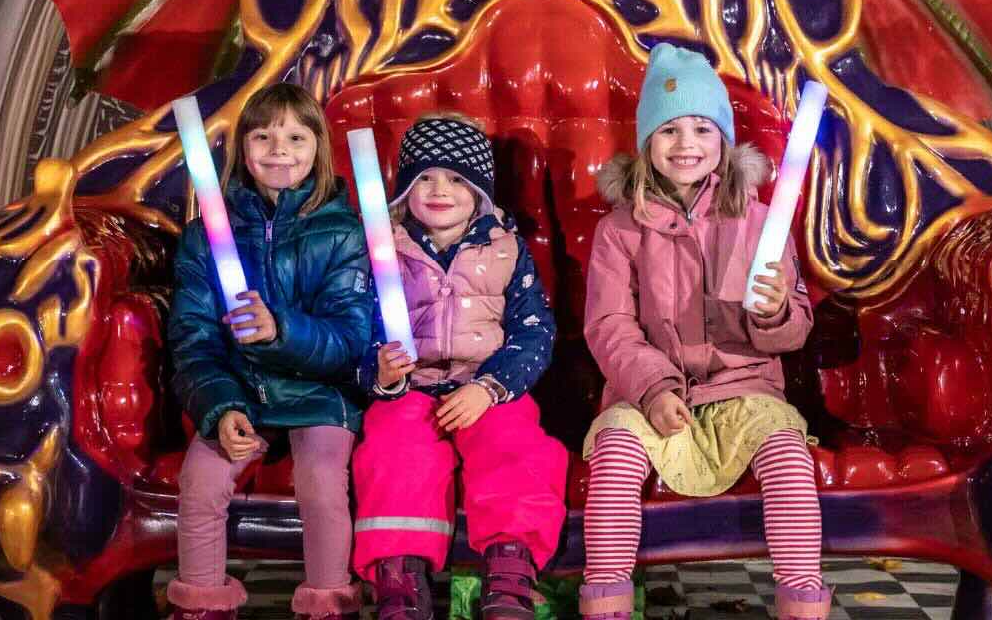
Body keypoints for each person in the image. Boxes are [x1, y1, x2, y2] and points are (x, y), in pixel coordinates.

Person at [579, 44, 829, 620]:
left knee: (788, 455)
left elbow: (794, 329)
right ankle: (608, 602)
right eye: (669, 129)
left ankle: (802, 602)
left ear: (723, 140)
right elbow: (609, 325)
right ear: (647, 142)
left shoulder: (760, 221)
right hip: (648, 392)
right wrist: (653, 389)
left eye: (701, 128)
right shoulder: (619, 231)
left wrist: (773, 313)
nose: (686, 143)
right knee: (615, 452)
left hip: (746, 389)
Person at [166, 83, 374, 620]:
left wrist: (279, 329)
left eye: (296, 137)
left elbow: (349, 340)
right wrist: (222, 407)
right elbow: (193, 340)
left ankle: (328, 605)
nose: (279, 148)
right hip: (241, 390)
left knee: (322, 485)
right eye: (263, 135)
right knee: (201, 483)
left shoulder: (344, 234)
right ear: (243, 147)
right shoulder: (206, 237)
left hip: (318, 392)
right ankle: (203, 608)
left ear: (318, 148)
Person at [350, 113, 567, 620]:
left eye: (455, 179)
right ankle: (400, 580)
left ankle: (510, 575)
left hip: (486, 387)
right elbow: (355, 326)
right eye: (424, 178)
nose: (439, 190)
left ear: (480, 192)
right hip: (410, 388)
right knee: (393, 452)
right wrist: (379, 372)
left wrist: (491, 387)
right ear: (405, 190)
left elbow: (535, 331)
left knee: (516, 447)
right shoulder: (382, 249)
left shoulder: (506, 249)